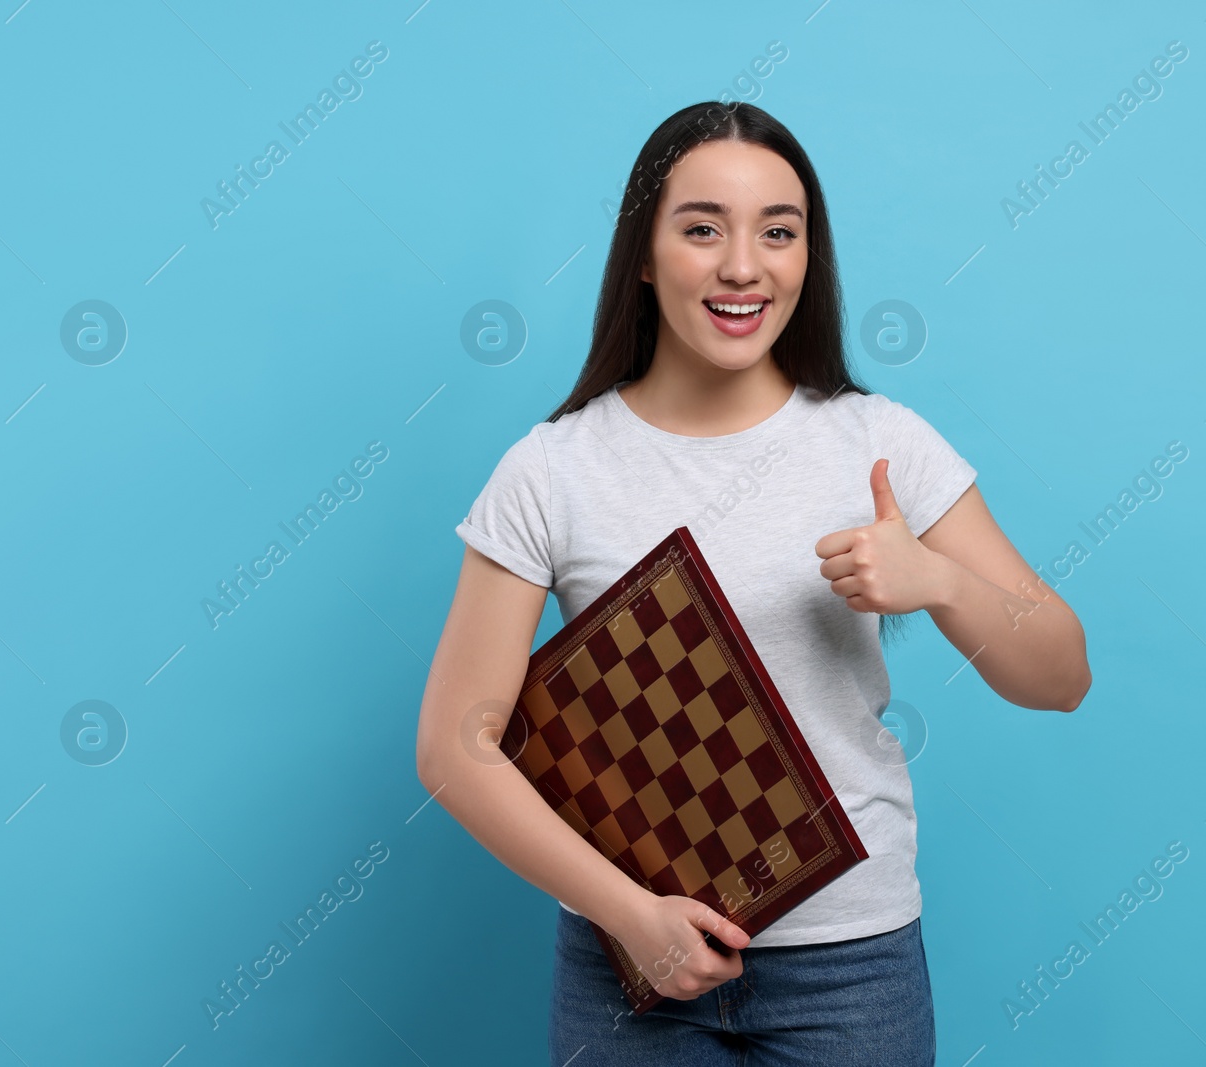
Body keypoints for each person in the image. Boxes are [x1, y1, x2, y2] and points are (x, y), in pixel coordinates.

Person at [415, 100, 1092, 1067]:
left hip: (850, 968)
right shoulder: (553, 469)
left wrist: (938, 579)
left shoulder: (881, 443)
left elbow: (1061, 676)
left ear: (808, 256)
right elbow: (453, 743)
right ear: (643, 256)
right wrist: (633, 916)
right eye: (703, 229)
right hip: (628, 967)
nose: (744, 266)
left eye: (779, 231)